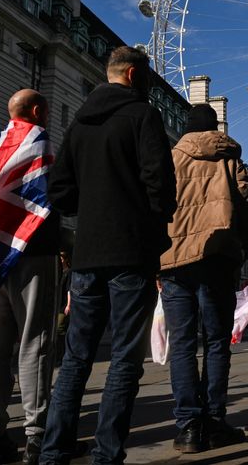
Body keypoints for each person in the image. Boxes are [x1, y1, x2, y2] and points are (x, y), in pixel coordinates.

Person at [40, 46, 176, 465]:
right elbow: (160, 182)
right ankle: (106, 454)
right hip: (130, 252)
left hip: (86, 255)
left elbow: (59, 191)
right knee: (124, 359)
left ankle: (54, 450)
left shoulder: (80, 123)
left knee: (76, 358)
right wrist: (152, 221)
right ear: (134, 75)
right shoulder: (142, 115)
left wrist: (91, 206)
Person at [160, 103, 248, 454]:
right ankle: (215, 421)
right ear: (215, 128)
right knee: (216, 341)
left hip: (174, 262)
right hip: (218, 257)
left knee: (182, 344)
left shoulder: (169, 159)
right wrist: (239, 247)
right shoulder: (230, 160)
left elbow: (154, 206)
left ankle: (188, 426)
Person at [0, 90, 60, 465]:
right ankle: (37, 434)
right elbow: (53, 196)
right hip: (33, 252)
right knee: (35, 342)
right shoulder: (39, 141)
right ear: (38, 111)